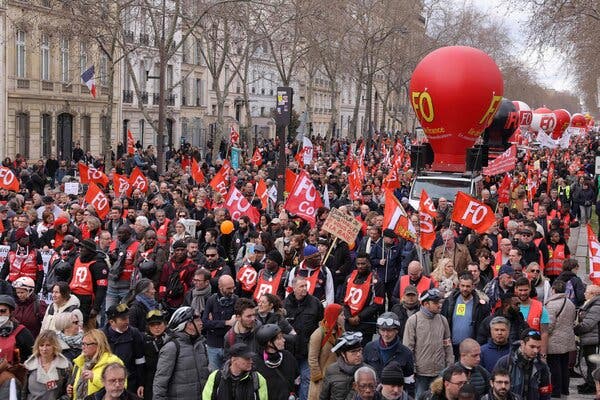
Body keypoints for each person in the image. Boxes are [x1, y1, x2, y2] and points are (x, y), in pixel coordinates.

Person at [403, 288, 454, 399]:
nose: (439, 305)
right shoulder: (413, 321)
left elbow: (447, 345)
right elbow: (408, 348)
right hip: (421, 373)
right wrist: (412, 370)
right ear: (426, 304)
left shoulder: (442, 320)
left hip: (440, 372)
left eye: (440, 302)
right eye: (435, 303)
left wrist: (449, 366)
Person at [153, 306, 210, 400]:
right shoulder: (172, 347)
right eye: (197, 321)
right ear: (188, 325)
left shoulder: (201, 345)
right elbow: (160, 382)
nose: (201, 323)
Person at [285, 275, 324, 400]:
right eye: (301, 286)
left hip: (308, 350)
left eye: (306, 286)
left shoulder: (315, 303)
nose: (305, 289)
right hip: (289, 350)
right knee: (288, 379)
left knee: (307, 378)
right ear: (294, 288)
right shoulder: (285, 303)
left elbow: (321, 324)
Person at [363, 312, 415, 397]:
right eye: (382, 330)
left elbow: (409, 383)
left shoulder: (406, 353)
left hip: (395, 396)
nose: (386, 334)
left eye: (389, 331)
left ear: (396, 330)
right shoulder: (369, 348)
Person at [441, 272, 490, 358]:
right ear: (459, 285)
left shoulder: (481, 305)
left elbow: (484, 328)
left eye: (468, 286)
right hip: (452, 348)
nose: (465, 289)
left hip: (471, 349)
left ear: (473, 286)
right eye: (462, 286)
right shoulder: (449, 302)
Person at [340, 253, 385, 344]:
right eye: (358, 264)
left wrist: (359, 317)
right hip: (349, 322)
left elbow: (378, 304)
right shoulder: (349, 278)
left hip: (366, 324)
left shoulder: (376, 281)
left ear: (369, 264)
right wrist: (348, 317)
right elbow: (343, 299)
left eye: (363, 264)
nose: (360, 266)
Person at [494, 329, 552, 400]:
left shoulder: (542, 366)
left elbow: (545, 393)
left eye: (538, 347)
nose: (535, 351)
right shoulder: (505, 362)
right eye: (532, 346)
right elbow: (495, 390)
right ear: (522, 343)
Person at [101, 304, 145, 397]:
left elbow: (140, 360)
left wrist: (141, 383)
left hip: (129, 383)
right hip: (106, 384)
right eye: (123, 319)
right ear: (112, 322)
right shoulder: (101, 336)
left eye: (127, 318)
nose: (127, 322)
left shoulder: (134, 334)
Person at [68, 329, 124, 400]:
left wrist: (94, 378)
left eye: (87, 344)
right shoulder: (79, 362)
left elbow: (121, 387)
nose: (83, 347)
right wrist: (71, 390)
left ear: (98, 344)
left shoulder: (113, 362)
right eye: (82, 344)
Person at [202, 342, 268, 400]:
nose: (251, 361)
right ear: (234, 360)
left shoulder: (257, 379)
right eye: (247, 358)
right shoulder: (215, 377)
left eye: (251, 358)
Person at [544, 279, 576, 398]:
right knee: (564, 366)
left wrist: (544, 335)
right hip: (567, 339)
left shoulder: (551, 304)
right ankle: (565, 390)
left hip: (554, 341)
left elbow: (549, 325)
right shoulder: (570, 303)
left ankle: (556, 391)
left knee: (554, 366)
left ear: (553, 290)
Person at [308, 303, 344, 400]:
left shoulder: (341, 331)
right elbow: (312, 358)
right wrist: (318, 379)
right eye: (341, 315)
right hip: (322, 378)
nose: (344, 317)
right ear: (335, 316)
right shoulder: (318, 334)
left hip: (337, 376)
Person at [22, 330, 72, 400]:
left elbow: (69, 392)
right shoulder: (28, 365)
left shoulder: (65, 365)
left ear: (55, 346)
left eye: (48, 345)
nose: (44, 349)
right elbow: (23, 392)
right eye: (41, 345)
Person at [202, 274, 238, 371]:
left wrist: (214, 323)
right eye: (229, 288)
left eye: (233, 287)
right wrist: (226, 323)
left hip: (230, 345)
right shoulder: (211, 300)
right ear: (220, 287)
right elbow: (205, 323)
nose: (232, 291)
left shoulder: (236, 300)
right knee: (215, 375)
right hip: (213, 345)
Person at [69, 239, 108, 326]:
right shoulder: (77, 259)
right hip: (73, 295)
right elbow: (72, 277)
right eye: (80, 247)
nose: (81, 249)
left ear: (90, 250)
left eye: (83, 247)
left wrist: (96, 308)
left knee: (84, 324)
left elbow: (101, 288)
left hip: (87, 299)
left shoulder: (98, 264)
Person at [254, 324, 299, 400]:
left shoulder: (288, 356)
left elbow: (296, 379)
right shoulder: (257, 362)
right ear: (269, 343)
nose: (284, 340)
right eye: (279, 338)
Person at [319, 331, 366, 400]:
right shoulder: (331, 370)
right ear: (343, 354)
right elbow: (324, 396)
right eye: (353, 351)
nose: (358, 354)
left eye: (360, 350)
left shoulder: (368, 371)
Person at [573, 284, 600, 394]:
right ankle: (589, 382)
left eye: (587, 292)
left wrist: (576, 329)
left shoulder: (596, 305)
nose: (584, 294)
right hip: (588, 337)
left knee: (591, 363)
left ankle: (592, 385)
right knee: (589, 363)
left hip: (591, 338)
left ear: (593, 294)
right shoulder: (591, 303)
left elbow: (588, 323)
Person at [514, 277, 549, 355]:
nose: (523, 293)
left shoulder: (539, 307)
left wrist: (543, 353)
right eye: (520, 290)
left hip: (534, 351)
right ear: (515, 289)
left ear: (530, 289)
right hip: (515, 350)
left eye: (525, 290)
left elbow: (544, 333)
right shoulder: (511, 306)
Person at [141, 310, 168, 400]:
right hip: (149, 382)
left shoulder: (172, 339)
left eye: (159, 324)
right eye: (152, 325)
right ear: (148, 327)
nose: (157, 328)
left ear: (165, 324)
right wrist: (141, 384)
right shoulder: (143, 341)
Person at [0, 294, 35, 363]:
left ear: (11, 312)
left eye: (3, 311)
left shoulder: (22, 332)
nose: (0, 314)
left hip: (12, 371)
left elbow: (33, 355)